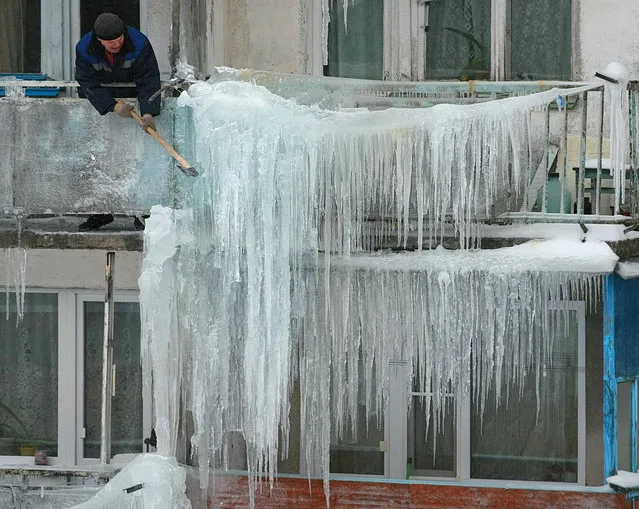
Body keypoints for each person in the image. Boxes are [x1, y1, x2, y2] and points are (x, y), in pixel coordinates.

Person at [75, 13, 161, 231]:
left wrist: (149, 112)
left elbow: (149, 80)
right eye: (110, 42)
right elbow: (86, 83)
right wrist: (112, 106)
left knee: (137, 159)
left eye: (119, 39)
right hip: (100, 108)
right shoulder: (84, 47)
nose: (116, 44)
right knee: (99, 160)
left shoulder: (139, 43)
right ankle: (100, 212)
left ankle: (140, 212)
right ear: (99, 40)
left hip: (134, 103)